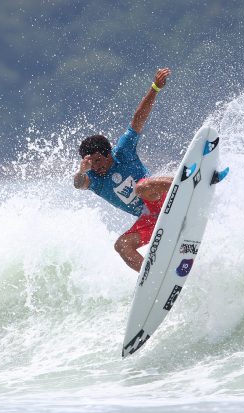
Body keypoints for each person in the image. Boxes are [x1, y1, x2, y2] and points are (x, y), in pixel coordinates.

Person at [74, 68, 172, 272]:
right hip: (150, 220)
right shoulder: (93, 179)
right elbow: (78, 184)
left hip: (163, 199)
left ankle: (188, 183)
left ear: (108, 153)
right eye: (91, 163)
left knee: (143, 187)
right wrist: (82, 172)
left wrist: (155, 88)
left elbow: (138, 120)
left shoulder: (123, 151)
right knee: (121, 245)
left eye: (98, 160)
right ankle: (153, 277)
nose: (96, 166)